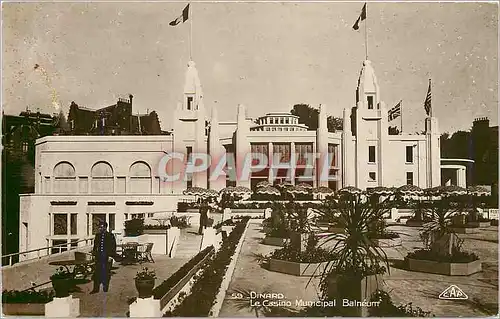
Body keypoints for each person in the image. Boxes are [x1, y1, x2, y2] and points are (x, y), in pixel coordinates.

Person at [91, 221, 117, 293]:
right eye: (99, 227)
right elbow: (95, 246)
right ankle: (95, 289)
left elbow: (113, 246)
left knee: (106, 272)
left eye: (102, 227)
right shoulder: (97, 235)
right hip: (98, 256)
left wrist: (111, 256)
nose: (100, 228)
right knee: (97, 272)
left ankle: (105, 288)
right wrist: (94, 254)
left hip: (106, 256)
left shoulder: (110, 235)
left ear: (105, 227)